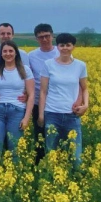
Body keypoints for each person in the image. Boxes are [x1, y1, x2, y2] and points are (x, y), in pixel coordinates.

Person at [38, 33, 89, 167]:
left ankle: (75, 181)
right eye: (62, 45)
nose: (65, 48)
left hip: (72, 116)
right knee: (51, 153)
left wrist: (85, 105)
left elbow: (84, 88)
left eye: (68, 45)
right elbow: (43, 91)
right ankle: (52, 183)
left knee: (76, 157)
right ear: (57, 47)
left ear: (73, 47)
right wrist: (41, 115)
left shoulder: (80, 65)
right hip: (52, 114)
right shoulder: (48, 64)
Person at [0, 40, 34, 160]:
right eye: (5, 51)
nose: (8, 54)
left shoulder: (25, 70)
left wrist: (26, 118)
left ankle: (15, 175)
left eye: (11, 51)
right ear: (1, 54)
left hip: (17, 111)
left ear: (16, 53)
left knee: (15, 148)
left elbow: (31, 94)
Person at [0, 23, 30, 136]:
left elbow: (27, 78)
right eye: (2, 33)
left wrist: (27, 94)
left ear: (13, 35)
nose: (5, 36)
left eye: (8, 33)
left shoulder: (23, 54)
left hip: (18, 103)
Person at [28, 24, 60, 163]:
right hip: (37, 102)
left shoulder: (61, 53)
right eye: (41, 37)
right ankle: (40, 163)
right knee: (39, 134)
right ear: (36, 39)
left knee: (58, 135)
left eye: (47, 36)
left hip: (57, 102)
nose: (45, 39)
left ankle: (58, 162)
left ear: (52, 36)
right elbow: (26, 77)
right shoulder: (31, 56)